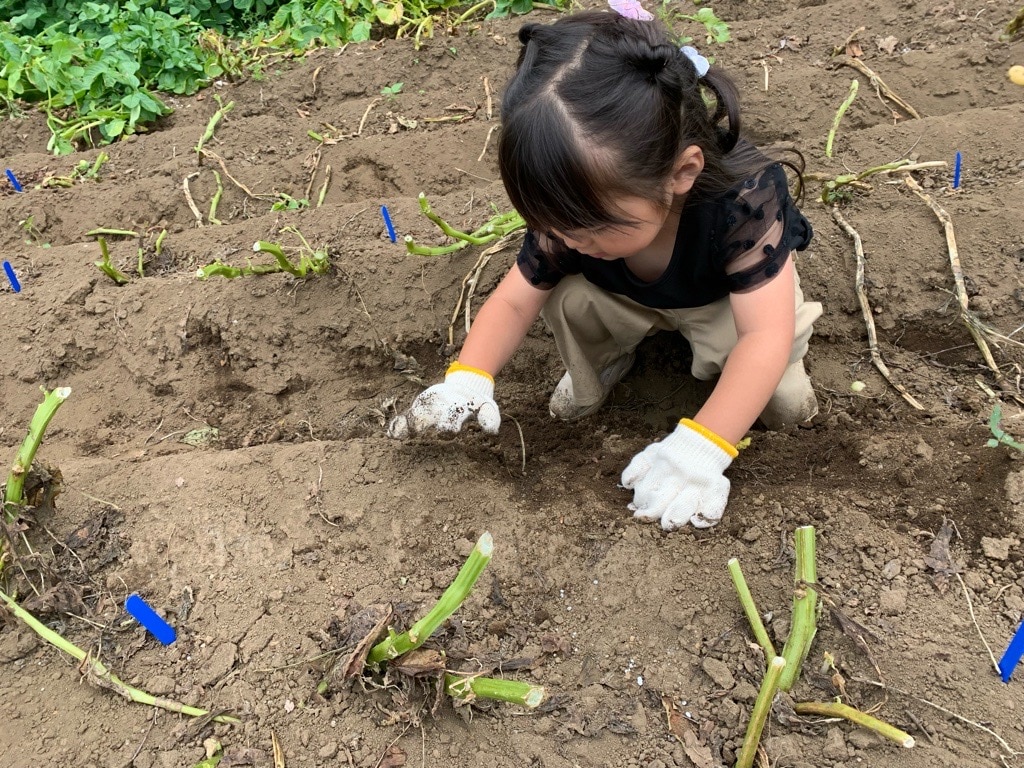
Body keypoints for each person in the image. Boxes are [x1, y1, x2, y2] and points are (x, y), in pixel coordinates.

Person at [389, 8, 822, 530]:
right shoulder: (572, 211)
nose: (569, 240)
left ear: (682, 172)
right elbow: (511, 299)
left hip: (724, 303)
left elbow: (763, 335)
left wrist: (703, 448)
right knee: (566, 299)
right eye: (556, 223)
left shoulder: (744, 200)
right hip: (627, 295)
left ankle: (755, 391)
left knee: (782, 398)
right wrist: (467, 379)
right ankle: (605, 362)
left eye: (592, 227)